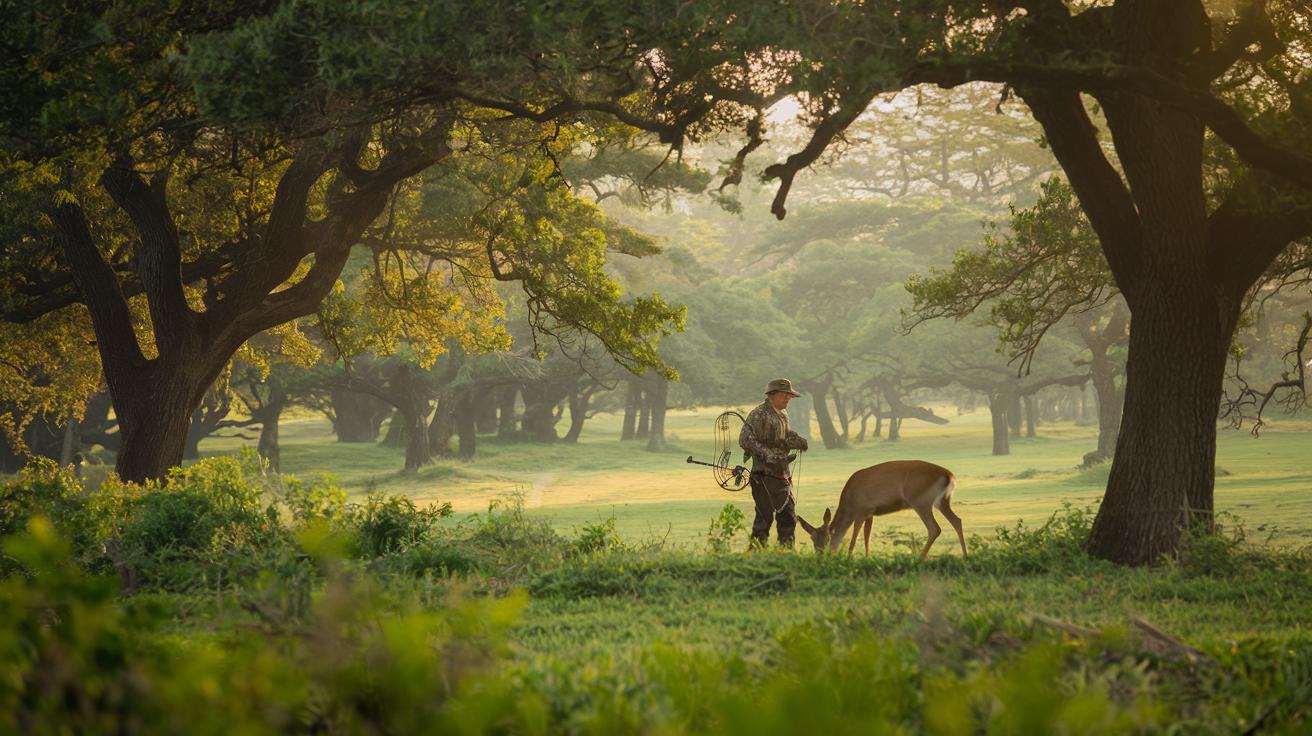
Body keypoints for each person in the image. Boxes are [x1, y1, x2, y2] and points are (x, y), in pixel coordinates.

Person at [739, 378, 809, 548]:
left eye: (789, 396)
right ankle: (756, 555)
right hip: (763, 475)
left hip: (781, 474)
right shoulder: (759, 414)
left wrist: (796, 439)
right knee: (764, 519)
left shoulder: (782, 414)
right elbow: (745, 439)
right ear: (772, 395)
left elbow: (783, 436)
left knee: (787, 516)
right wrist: (768, 455)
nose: (788, 399)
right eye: (785, 395)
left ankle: (785, 554)